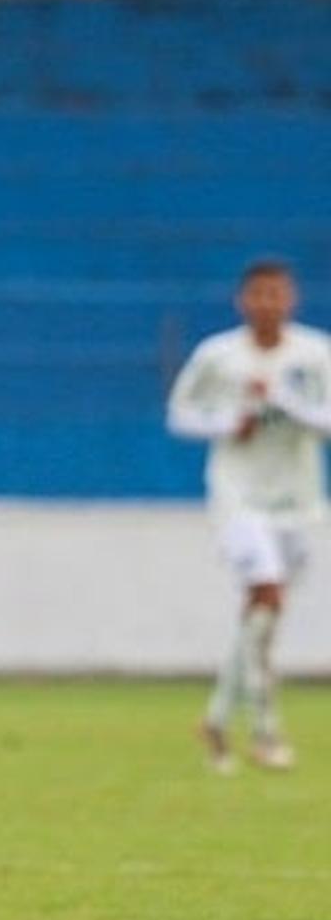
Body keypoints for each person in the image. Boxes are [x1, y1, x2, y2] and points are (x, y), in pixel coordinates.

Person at [168, 258, 331, 772]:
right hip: (238, 497)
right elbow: (180, 415)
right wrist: (226, 422)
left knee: (263, 613)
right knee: (268, 592)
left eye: (277, 294)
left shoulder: (315, 353)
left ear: (292, 299)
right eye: (258, 294)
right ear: (243, 301)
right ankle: (262, 730)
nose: (268, 303)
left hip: (298, 499)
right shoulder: (218, 356)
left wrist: (289, 405)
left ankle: (222, 719)